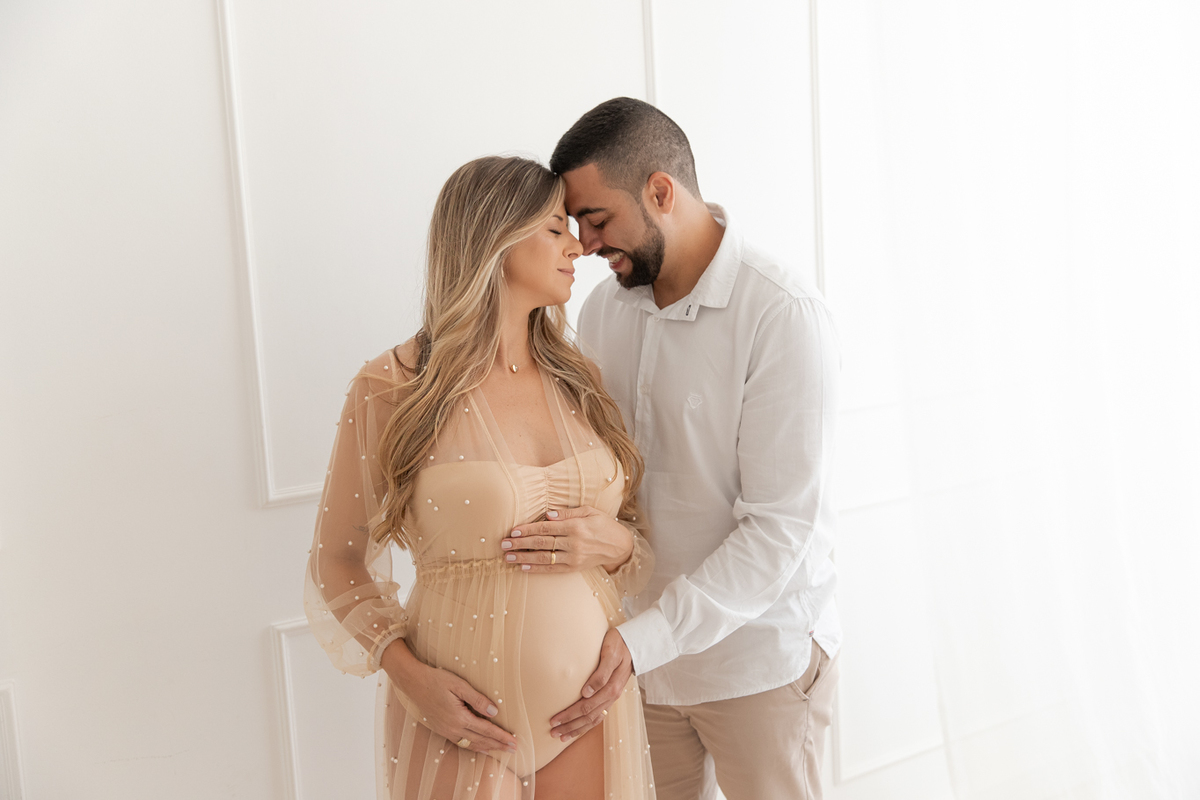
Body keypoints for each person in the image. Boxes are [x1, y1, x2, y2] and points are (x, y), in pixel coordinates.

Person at [502, 98, 842, 799]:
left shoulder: (782, 314)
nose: (584, 244)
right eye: (574, 224)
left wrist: (646, 638)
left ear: (661, 191)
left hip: (757, 663)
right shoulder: (603, 310)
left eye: (597, 219)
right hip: (634, 667)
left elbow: (778, 530)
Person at [303, 155, 658, 800]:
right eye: (555, 228)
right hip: (456, 722)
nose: (577, 246)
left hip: (588, 712)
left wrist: (618, 544)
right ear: (496, 237)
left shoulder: (580, 379)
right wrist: (409, 677)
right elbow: (337, 562)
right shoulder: (392, 386)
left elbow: (633, 540)